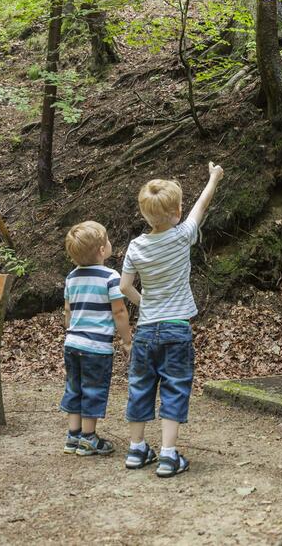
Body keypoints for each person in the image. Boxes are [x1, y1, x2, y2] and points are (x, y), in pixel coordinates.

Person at [119, 162, 224, 477]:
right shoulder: (182, 236)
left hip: (146, 332)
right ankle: (167, 455)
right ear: (177, 212)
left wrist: (145, 302)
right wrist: (214, 177)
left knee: (140, 386)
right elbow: (202, 205)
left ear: (144, 213)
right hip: (176, 330)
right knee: (175, 388)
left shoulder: (135, 247)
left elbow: (125, 287)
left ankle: (137, 449)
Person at [60, 221, 132, 456]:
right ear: (102, 250)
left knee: (74, 387)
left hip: (72, 343)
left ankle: (73, 435)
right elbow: (119, 311)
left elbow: (68, 311)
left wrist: (71, 331)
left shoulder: (71, 277)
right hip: (96, 347)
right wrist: (126, 340)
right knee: (92, 389)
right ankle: (89, 438)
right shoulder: (111, 277)